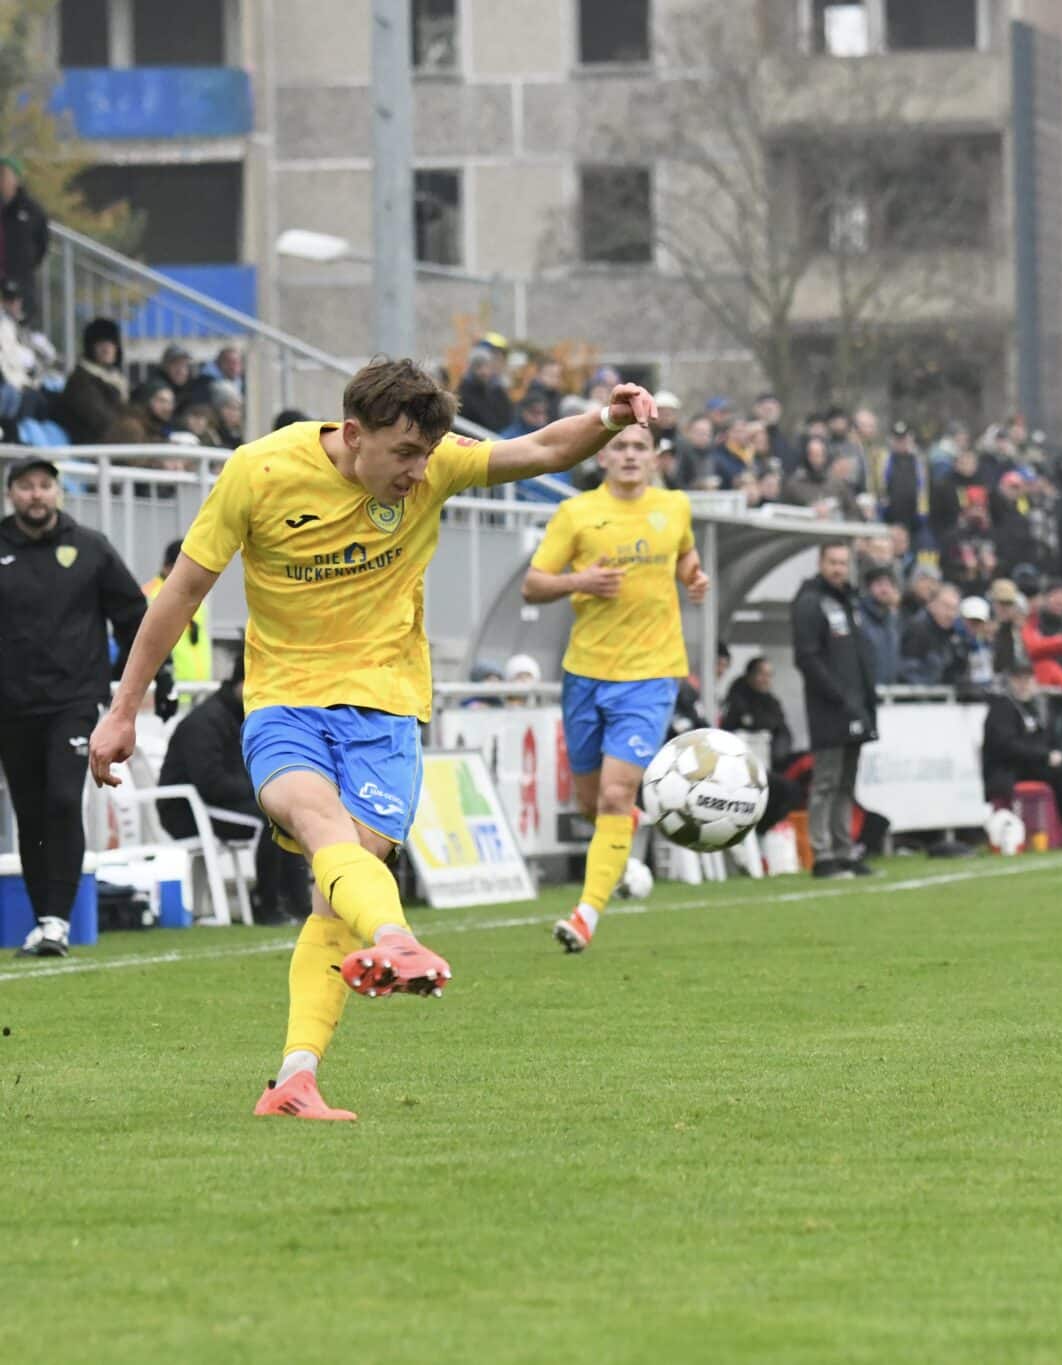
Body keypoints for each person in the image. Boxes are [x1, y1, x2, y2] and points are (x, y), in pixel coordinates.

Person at [88, 358, 667, 1121]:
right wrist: (123, 707)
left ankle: (296, 1074)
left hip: (387, 711)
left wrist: (608, 419)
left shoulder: (433, 467)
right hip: (285, 703)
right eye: (404, 454)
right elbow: (183, 591)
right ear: (353, 434)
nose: (418, 470)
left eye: (428, 453)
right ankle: (395, 937)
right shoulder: (258, 472)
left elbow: (542, 451)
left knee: (341, 885)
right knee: (319, 823)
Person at [522, 419, 707, 954]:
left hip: (651, 674)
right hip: (586, 672)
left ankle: (585, 915)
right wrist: (580, 581)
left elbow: (685, 555)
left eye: (639, 447)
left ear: (655, 458)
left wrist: (693, 576)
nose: (629, 455)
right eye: (619, 446)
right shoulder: (576, 514)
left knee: (615, 793)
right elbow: (534, 585)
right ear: (602, 457)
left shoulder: (674, 507)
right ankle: (619, 854)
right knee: (590, 803)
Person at [0, 457, 176, 956]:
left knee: (61, 799)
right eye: (25, 486)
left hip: (73, 701)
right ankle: (44, 922)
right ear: (11, 493)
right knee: (29, 813)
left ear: (57, 492)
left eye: (44, 486)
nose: (36, 495)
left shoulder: (90, 548)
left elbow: (132, 616)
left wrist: (160, 677)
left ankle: (57, 920)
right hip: (12, 706)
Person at [157, 653, 310, 925]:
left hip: (222, 803)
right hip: (186, 812)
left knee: (291, 812)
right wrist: (262, 792)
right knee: (273, 819)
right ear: (244, 683)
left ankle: (300, 904)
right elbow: (210, 783)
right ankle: (268, 904)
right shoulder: (204, 722)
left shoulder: (245, 718)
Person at [791, 543, 878, 879]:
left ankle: (844, 850)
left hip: (856, 705)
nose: (839, 569)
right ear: (820, 563)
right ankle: (822, 853)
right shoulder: (811, 603)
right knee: (826, 781)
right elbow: (807, 657)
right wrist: (837, 695)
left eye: (843, 563)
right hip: (829, 707)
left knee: (846, 783)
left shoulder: (849, 601)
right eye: (833, 562)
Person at [980, 660, 1062, 849]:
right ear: (1011, 681)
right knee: (1059, 776)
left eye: (1028, 679)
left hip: (1037, 763)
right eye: (1019, 679)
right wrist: (1046, 757)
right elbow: (1007, 746)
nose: (1024, 684)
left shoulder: (1035, 708)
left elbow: (1052, 741)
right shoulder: (1002, 708)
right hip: (1011, 769)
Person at [720, 655, 802, 829]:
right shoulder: (736, 702)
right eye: (761, 674)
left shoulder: (772, 703)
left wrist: (779, 754)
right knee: (780, 790)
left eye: (769, 675)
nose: (766, 680)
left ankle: (763, 831)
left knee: (790, 790)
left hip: (769, 764)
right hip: (741, 769)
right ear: (750, 676)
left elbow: (782, 732)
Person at [141, 538, 213, 702]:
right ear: (168, 567)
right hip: (168, 692)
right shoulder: (151, 595)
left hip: (198, 692)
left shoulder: (196, 595)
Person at [58, 316, 128, 443]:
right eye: (101, 344)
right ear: (90, 347)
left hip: (116, 441)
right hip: (94, 446)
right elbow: (101, 420)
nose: (107, 349)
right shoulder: (81, 380)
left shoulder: (117, 379)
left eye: (111, 344)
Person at [0, 157, 49, 316]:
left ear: (17, 178)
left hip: (21, 283)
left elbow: (42, 244)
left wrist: (25, 265)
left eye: (4, 174)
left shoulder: (32, 210)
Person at [856, 565, 903, 686]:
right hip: (864, 693)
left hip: (889, 694)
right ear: (868, 588)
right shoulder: (857, 618)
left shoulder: (893, 620)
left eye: (888, 585)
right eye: (879, 584)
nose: (884, 589)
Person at [457, 341, 513, 434]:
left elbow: (507, 418)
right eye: (478, 366)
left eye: (487, 366)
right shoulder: (463, 394)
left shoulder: (497, 390)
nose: (484, 372)